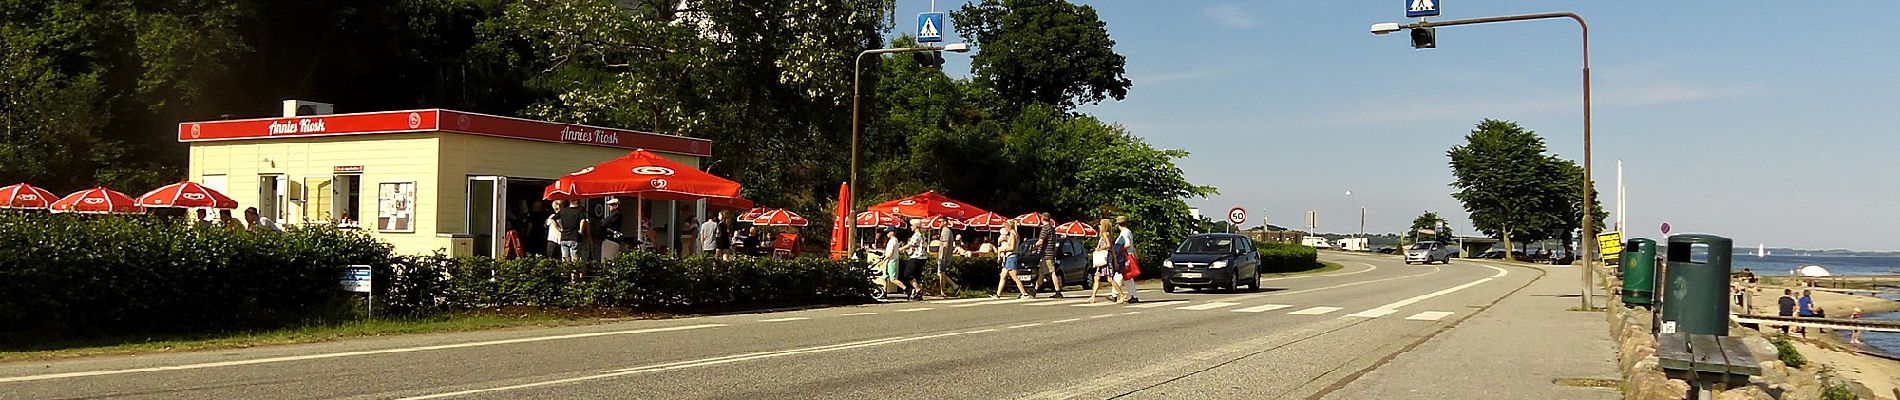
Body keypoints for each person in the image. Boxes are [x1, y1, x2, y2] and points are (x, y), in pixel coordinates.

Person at [1087, 218, 1125, 303]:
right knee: (1097, 277)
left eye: (1100, 224)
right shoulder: (1108, 234)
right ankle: (1093, 296)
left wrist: (1099, 249)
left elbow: (1108, 245)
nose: (1099, 226)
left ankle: (1122, 295)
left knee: (1109, 279)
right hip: (1107, 258)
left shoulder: (1104, 234)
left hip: (1105, 259)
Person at [1029, 212, 1065, 297]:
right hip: (1049, 253)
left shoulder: (1045, 229)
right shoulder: (1052, 228)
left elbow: (1040, 241)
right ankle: (1035, 290)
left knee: (1052, 272)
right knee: (1041, 274)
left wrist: (1032, 248)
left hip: (1046, 254)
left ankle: (1058, 291)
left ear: (1042, 219)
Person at [993, 220, 1030, 299]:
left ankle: (1024, 293)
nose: (1005, 228)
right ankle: (998, 294)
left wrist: (1003, 249)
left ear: (1009, 226)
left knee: (1014, 277)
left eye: (1006, 226)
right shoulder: (1015, 234)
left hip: (1011, 257)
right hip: (1009, 257)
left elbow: (1012, 247)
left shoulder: (1013, 234)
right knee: (1003, 275)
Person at [899, 219, 930, 300]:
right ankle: (919, 294)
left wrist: (900, 248)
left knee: (907, 274)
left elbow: (911, 244)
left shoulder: (917, 235)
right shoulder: (922, 235)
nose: (911, 227)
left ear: (916, 226)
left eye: (912, 225)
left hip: (916, 257)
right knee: (917, 276)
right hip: (922, 257)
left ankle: (917, 289)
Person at [1112, 216, 1140, 304]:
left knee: (1124, 276)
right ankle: (1117, 294)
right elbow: (1132, 245)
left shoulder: (1124, 233)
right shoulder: (1128, 232)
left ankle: (1116, 294)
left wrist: (1119, 250)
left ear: (1118, 225)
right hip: (1128, 256)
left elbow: (1127, 244)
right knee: (1125, 276)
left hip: (1124, 257)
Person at [878, 228, 909, 298]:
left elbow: (891, 253)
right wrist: (884, 256)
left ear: (892, 232)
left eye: (888, 232)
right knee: (885, 277)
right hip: (888, 260)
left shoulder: (893, 241)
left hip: (892, 261)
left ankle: (906, 289)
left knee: (893, 279)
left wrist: (883, 260)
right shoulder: (891, 240)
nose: (887, 233)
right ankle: (884, 291)